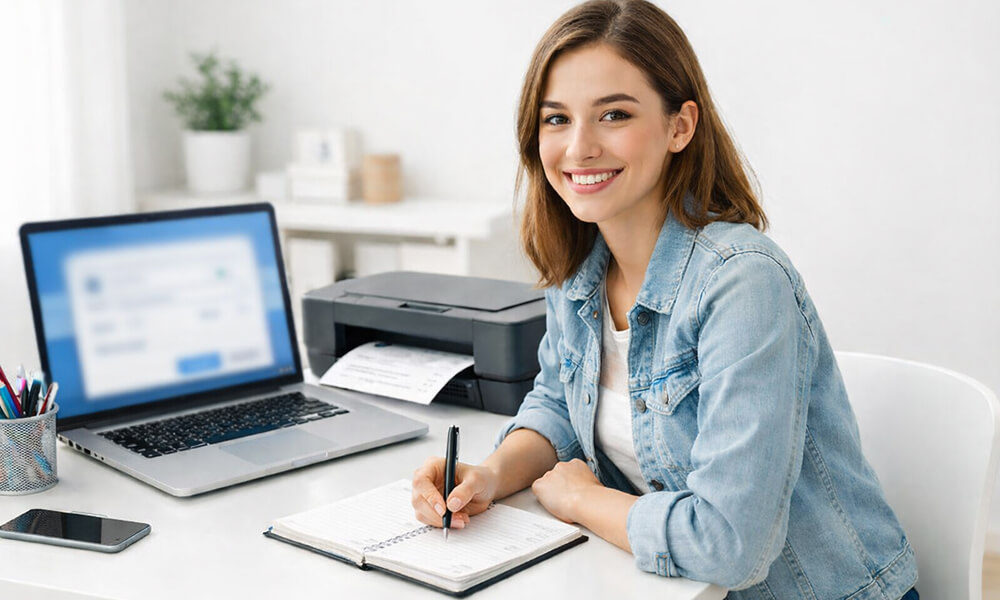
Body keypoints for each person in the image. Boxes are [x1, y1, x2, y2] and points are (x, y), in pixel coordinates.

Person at [411, 1, 919, 598]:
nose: (579, 148)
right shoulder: (578, 272)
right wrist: (490, 475)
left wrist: (582, 499)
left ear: (680, 125)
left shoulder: (742, 283)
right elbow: (558, 407)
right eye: (556, 119)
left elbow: (729, 545)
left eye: (614, 115)